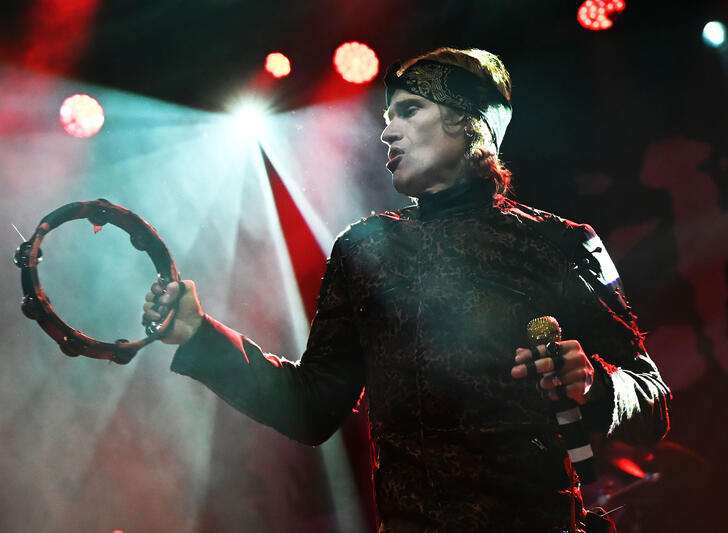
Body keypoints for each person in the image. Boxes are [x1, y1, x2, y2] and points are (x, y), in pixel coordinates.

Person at [142, 48, 670, 532]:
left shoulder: (566, 243)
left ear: (469, 124)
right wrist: (200, 336)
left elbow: (652, 401)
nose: (386, 133)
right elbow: (311, 408)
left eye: (410, 110)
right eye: (386, 116)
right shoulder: (363, 250)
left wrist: (595, 384)